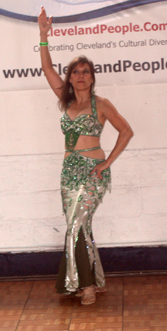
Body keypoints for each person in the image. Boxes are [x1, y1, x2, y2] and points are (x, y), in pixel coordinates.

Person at [38, 7, 133, 305]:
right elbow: (47, 70)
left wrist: (106, 163)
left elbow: (126, 132)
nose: (80, 76)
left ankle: (86, 286)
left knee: (76, 226)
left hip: (93, 171)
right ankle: (95, 279)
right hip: (69, 171)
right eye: (76, 72)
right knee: (81, 227)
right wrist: (43, 36)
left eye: (86, 72)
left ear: (92, 77)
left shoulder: (101, 104)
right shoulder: (64, 100)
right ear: (71, 78)